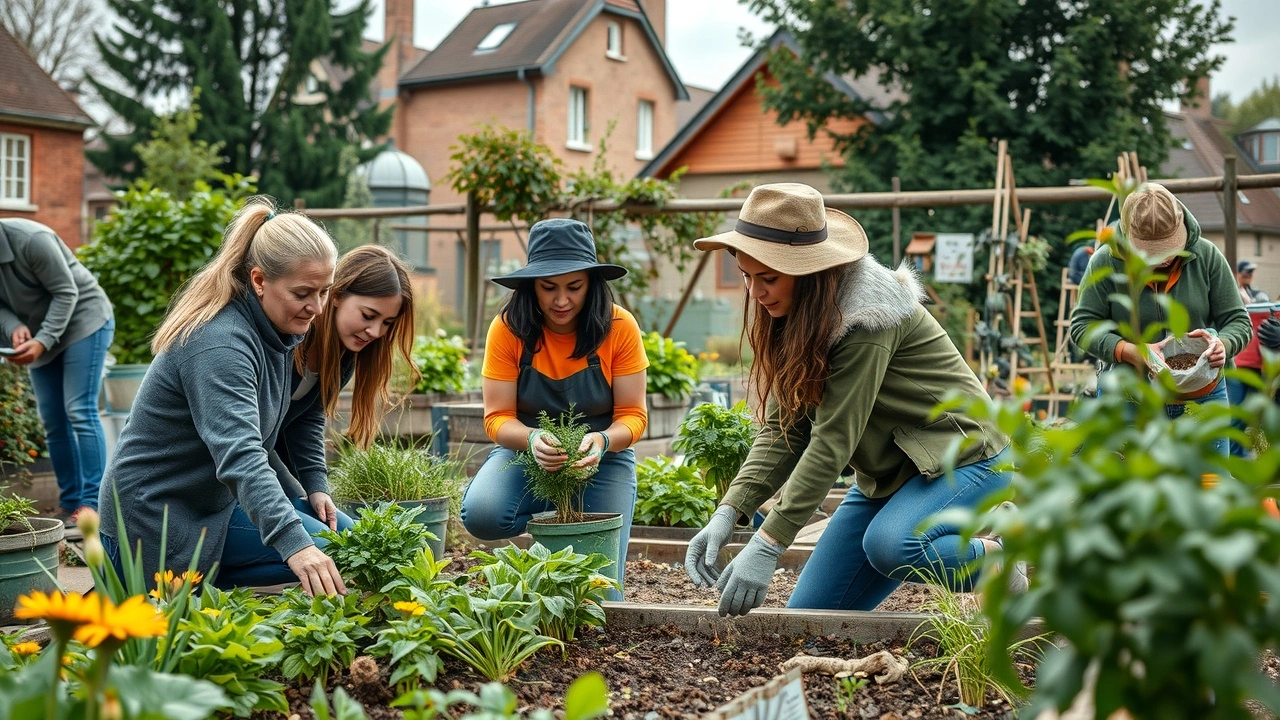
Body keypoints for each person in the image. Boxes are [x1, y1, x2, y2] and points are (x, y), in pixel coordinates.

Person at [682, 183, 1014, 616]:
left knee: (892, 544)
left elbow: (833, 438)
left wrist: (768, 544)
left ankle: (1005, 555)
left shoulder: (867, 320)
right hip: (895, 475)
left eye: (767, 278)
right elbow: (785, 431)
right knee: (813, 613)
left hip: (968, 460)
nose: (754, 293)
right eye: (746, 275)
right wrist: (729, 511)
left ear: (809, 271)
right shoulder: (800, 314)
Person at [98, 199, 348, 597]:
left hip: (212, 501)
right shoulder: (220, 345)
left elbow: (263, 445)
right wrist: (295, 541)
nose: (317, 308)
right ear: (259, 280)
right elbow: (241, 455)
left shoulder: (275, 332)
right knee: (331, 552)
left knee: (349, 538)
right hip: (160, 514)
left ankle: (196, 586)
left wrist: (304, 496)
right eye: (303, 292)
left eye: (325, 291)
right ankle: (147, 590)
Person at [461, 219, 648, 600]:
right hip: (526, 454)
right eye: (548, 288)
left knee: (602, 594)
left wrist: (601, 441)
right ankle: (560, 514)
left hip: (603, 459)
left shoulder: (619, 326)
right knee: (482, 513)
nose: (561, 300)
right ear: (531, 286)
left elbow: (634, 415)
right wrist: (532, 439)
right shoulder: (509, 328)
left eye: (574, 287)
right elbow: (496, 418)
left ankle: (574, 517)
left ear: (592, 284)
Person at [1070, 183, 1251, 456]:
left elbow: (1238, 319)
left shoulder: (1206, 256)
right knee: (1129, 487)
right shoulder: (1106, 262)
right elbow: (1082, 327)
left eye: (1168, 247)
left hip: (1201, 393)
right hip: (1129, 395)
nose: (1164, 258)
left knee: (1209, 485)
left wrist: (1224, 344)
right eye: (1151, 251)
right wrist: (1132, 351)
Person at [272, 244, 419, 492]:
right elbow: (254, 439)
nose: (375, 332)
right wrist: (296, 494)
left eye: (387, 323)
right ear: (337, 295)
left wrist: (318, 489)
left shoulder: (345, 356)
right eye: (368, 315)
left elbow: (306, 419)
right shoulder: (285, 340)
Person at [0, 219, 114, 527]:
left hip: (83, 321)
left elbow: (66, 292)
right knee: (52, 420)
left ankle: (93, 504)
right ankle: (69, 502)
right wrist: (14, 327)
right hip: (40, 333)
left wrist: (43, 340)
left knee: (78, 408)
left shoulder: (32, 239)